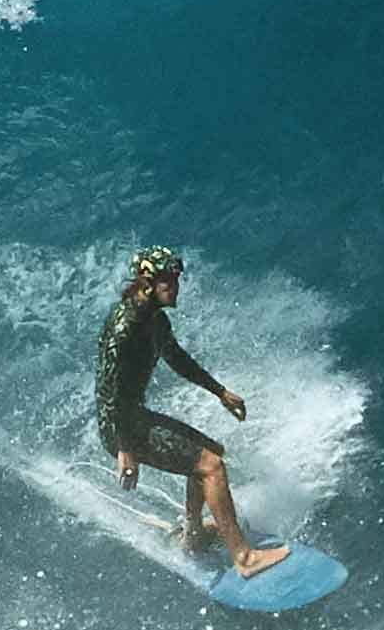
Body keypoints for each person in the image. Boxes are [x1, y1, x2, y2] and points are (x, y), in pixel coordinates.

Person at [95, 245, 284, 576]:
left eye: (177, 281)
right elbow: (112, 392)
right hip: (121, 425)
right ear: (147, 284)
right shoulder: (126, 328)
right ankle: (245, 559)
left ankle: (194, 536)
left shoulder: (155, 320)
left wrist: (221, 392)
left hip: (132, 417)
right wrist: (125, 449)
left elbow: (176, 358)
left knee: (208, 454)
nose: (176, 288)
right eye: (169, 282)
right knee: (211, 466)